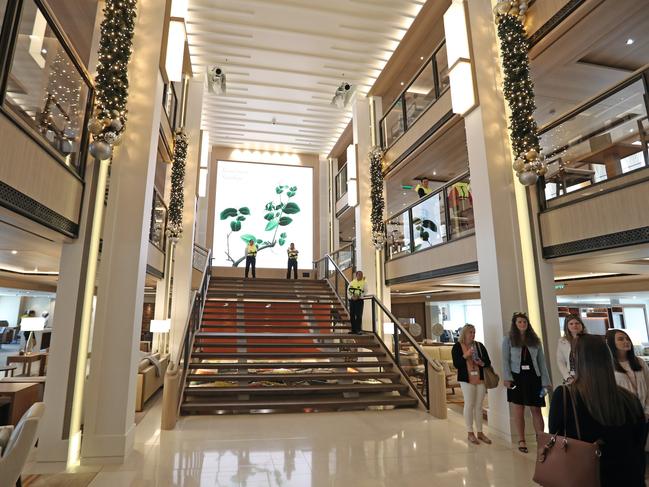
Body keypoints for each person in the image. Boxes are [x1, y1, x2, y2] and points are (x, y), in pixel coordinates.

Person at [549, 334, 646, 486]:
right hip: (627, 477)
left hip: (584, 477)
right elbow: (638, 443)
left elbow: (555, 436)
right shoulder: (629, 399)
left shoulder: (564, 396)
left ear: (576, 360)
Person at [502, 312, 551, 453]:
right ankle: (521, 440)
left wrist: (545, 381)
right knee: (519, 409)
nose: (522, 324)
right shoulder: (508, 340)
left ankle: (541, 439)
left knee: (536, 408)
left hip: (534, 377)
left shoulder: (535, 341)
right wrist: (507, 378)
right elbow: (505, 360)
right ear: (515, 324)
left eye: (524, 322)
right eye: (519, 322)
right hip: (517, 378)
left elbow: (541, 362)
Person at [451, 324, 492, 445]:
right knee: (469, 404)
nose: (473, 335)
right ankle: (470, 432)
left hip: (480, 378)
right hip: (466, 379)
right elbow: (457, 364)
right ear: (464, 333)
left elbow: (488, 362)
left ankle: (480, 432)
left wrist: (481, 362)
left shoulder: (479, 346)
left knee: (479, 406)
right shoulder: (457, 347)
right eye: (470, 332)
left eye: (474, 332)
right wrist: (466, 355)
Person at [606, 329, 649, 420]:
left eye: (627, 339)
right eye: (621, 339)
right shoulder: (607, 365)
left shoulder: (639, 362)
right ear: (611, 343)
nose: (626, 341)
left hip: (644, 412)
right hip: (622, 415)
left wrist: (647, 411)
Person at [556, 314, 588, 383]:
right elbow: (560, 361)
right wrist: (568, 377)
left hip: (587, 376)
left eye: (577, 323)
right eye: (571, 324)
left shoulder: (589, 339)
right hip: (571, 378)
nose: (574, 325)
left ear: (582, 325)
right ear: (567, 326)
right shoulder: (562, 341)